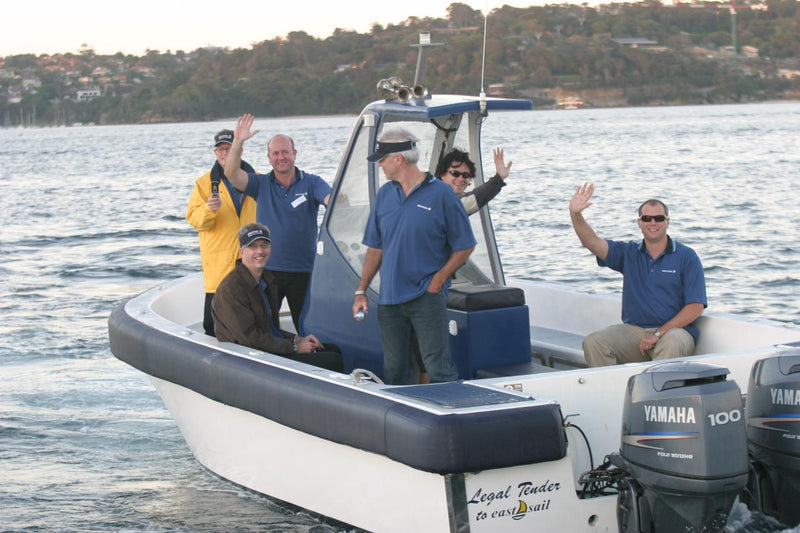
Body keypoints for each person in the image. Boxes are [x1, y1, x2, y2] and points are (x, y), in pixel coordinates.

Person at [352, 129, 476, 385]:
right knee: (395, 369)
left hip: (426, 297)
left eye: (383, 159)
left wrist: (438, 281)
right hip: (389, 300)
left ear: (398, 159)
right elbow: (375, 248)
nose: (380, 165)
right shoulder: (385, 195)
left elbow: (465, 245)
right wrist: (361, 290)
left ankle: (452, 415)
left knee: (437, 367)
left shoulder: (442, 194)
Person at [569, 182, 707, 367]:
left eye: (658, 218)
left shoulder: (686, 257)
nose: (653, 223)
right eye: (647, 218)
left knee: (672, 341)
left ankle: (654, 396)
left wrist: (658, 334)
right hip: (635, 332)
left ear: (667, 221)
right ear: (639, 222)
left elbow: (695, 307)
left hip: (675, 332)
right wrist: (576, 214)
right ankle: (613, 393)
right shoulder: (628, 253)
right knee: (594, 342)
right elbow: (591, 242)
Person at [224, 114, 332, 333]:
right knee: (265, 326)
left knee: (308, 328)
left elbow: (334, 203)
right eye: (276, 153)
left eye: (285, 152)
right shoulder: (260, 184)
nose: (281, 157)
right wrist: (238, 142)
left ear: (294, 154)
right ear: (268, 157)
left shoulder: (312, 182)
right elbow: (232, 174)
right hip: (267, 270)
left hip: (304, 271)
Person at [212, 223, 343, 372]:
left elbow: (270, 329)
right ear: (242, 252)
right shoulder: (231, 289)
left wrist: (297, 339)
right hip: (251, 359)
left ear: (270, 248)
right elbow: (249, 339)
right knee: (332, 361)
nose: (260, 251)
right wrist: (294, 347)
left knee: (333, 349)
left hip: (268, 349)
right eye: (253, 246)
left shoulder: (267, 280)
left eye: (264, 245)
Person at [186, 129, 257, 336]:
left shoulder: (257, 179)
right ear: (215, 153)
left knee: (253, 319)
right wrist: (209, 209)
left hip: (251, 263)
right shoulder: (203, 184)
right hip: (219, 266)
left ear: (239, 150)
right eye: (220, 150)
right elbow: (195, 221)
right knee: (212, 325)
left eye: (229, 148)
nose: (225, 153)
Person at [435, 147, 512, 215]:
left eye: (466, 175)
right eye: (455, 173)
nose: (461, 179)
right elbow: (473, 199)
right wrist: (499, 178)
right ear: (442, 174)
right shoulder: (440, 201)